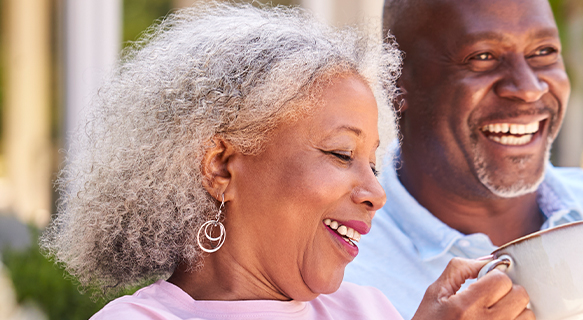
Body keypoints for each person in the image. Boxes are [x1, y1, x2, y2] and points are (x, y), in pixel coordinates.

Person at [42, 4, 534, 320]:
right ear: (220, 167)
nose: (376, 193)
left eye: (374, 164)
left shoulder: (366, 310)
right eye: (342, 154)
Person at [343, 0, 583, 319]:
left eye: (543, 53)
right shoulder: (337, 264)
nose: (528, 88)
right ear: (396, 83)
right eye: (483, 57)